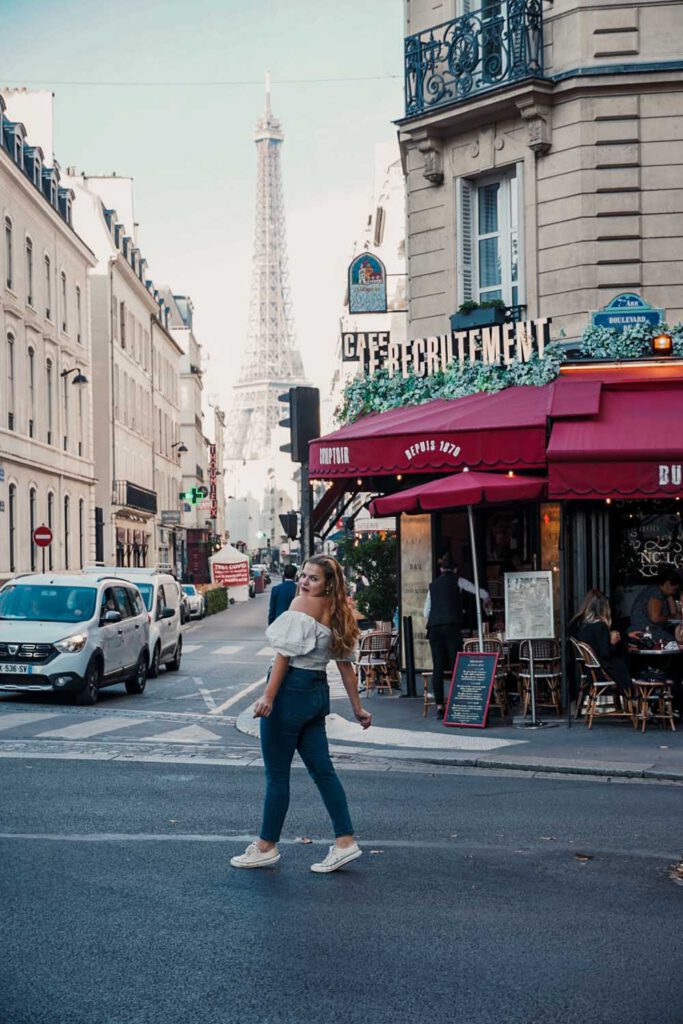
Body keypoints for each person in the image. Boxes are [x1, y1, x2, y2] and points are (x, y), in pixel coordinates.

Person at [231, 555, 372, 873]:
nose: (305, 582)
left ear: (328, 583)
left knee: (277, 775)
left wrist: (268, 696)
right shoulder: (338, 613)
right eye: (304, 576)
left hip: (289, 694)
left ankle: (266, 846)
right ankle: (345, 841)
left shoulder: (300, 605)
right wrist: (357, 708)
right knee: (323, 772)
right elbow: (345, 665)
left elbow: (284, 654)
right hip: (316, 694)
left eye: (313, 578)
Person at [576, 591, 633, 693]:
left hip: (591, 671)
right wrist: (612, 642)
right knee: (628, 659)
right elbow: (605, 653)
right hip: (603, 672)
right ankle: (632, 696)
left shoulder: (584, 625)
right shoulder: (600, 626)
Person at [629, 567, 682, 644]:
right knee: (674, 643)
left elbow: (673, 613)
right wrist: (671, 618)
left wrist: (669, 595)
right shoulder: (656, 592)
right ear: (667, 583)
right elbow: (655, 618)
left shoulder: (662, 593)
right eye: (674, 589)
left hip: (650, 629)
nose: (674, 593)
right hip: (646, 631)